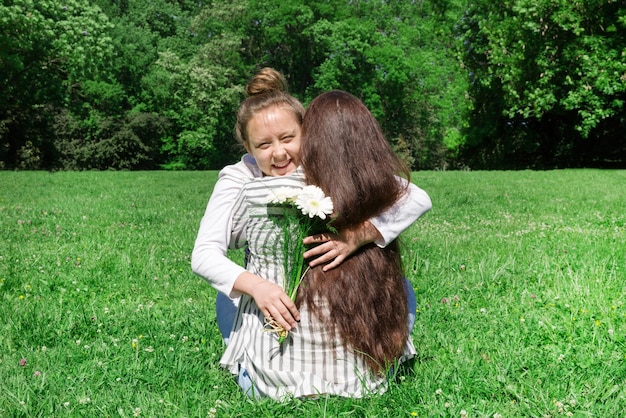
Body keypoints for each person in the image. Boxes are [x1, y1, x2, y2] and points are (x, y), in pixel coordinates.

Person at [191, 68, 432, 343]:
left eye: (287, 138)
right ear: (248, 146)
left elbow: (415, 197)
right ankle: (244, 359)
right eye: (264, 144)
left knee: (402, 286)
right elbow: (204, 254)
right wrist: (258, 287)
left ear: (306, 133)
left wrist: (356, 236)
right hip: (268, 296)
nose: (279, 153)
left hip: (323, 298)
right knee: (228, 294)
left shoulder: (319, 165)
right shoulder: (238, 177)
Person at [220, 90, 430, 399]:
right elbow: (418, 197)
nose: (279, 153)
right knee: (401, 285)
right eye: (266, 143)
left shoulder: (266, 189)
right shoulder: (365, 185)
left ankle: (250, 363)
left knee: (230, 293)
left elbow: (226, 241)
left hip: (273, 384)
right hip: (368, 380)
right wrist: (360, 236)